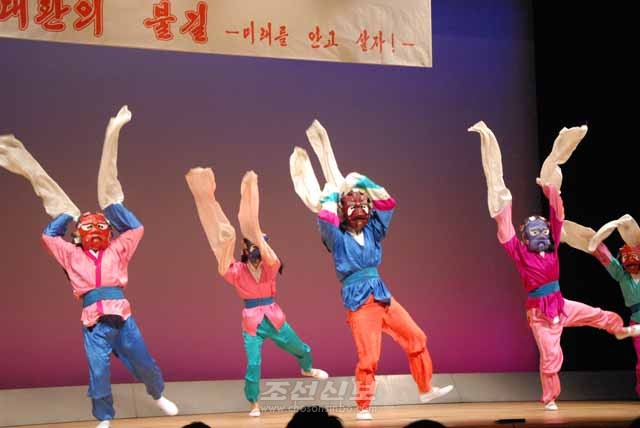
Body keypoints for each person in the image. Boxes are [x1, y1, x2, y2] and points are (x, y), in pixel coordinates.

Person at [0, 106, 178, 428]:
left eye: (100, 226)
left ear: (108, 231)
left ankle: (157, 393)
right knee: (98, 370)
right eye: (88, 227)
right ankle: (105, 417)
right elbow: (48, 235)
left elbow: (136, 229)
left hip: (122, 316)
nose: (95, 230)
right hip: (93, 320)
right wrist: (68, 215)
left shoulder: (118, 248)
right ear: (79, 235)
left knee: (143, 362)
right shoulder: (71, 254)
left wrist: (111, 207)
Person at [186, 167, 328, 417]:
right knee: (253, 364)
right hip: (252, 322)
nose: (255, 254)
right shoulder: (236, 271)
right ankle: (254, 403)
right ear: (244, 251)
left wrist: (258, 237)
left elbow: (272, 257)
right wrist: (225, 233)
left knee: (301, 349)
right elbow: (222, 257)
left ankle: (307, 368)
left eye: (258, 248)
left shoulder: (270, 267)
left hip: (274, 317)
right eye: (251, 248)